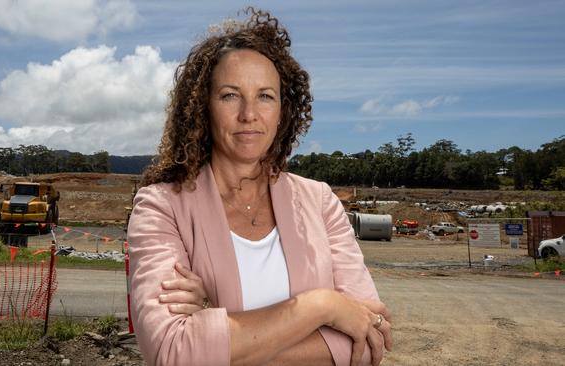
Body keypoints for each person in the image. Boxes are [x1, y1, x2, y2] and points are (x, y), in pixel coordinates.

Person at [128, 8, 392, 366]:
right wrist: (321, 306)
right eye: (230, 95)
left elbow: (367, 343)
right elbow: (172, 351)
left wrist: (215, 330)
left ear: (284, 109)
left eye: (265, 96)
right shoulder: (161, 206)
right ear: (203, 107)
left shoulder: (320, 202)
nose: (249, 114)